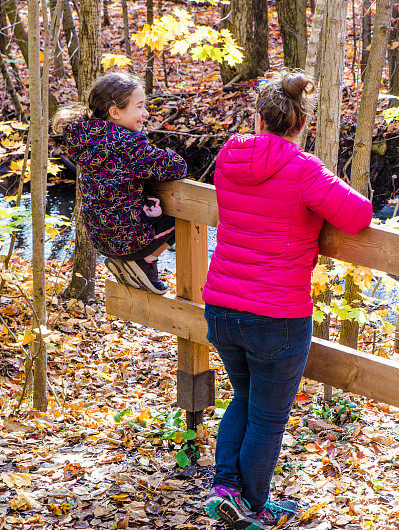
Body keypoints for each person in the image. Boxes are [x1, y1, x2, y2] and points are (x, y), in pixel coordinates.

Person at [202, 70, 372, 529]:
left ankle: (225, 489)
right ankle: (252, 508)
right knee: (267, 416)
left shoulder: (229, 154)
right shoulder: (304, 170)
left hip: (220, 305)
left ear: (259, 117)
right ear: (303, 123)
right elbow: (358, 216)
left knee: (244, 397)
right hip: (275, 315)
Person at [53, 71, 187, 295]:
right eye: (139, 106)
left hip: (101, 238)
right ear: (115, 112)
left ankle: (131, 264)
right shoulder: (127, 145)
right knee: (184, 218)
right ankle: (146, 261)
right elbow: (177, 166)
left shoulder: (86, 138)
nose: (145, 113)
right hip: (129, 239)